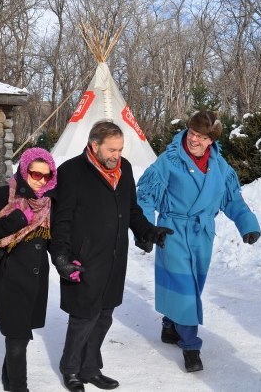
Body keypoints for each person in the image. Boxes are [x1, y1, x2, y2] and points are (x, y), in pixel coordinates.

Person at [50, 120, 173, 392]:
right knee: (83, 317)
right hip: (83, 259)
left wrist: (148, 232)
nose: (117, 155)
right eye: (111, 150)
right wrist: (60, 257)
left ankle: (91, 368)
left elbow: (131, 210)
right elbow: (60, 221)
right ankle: (70, 369)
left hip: (115, 258)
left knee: (104, 316)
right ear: (94, 146)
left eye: (120, 149)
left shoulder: (124, 168)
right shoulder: (71, 172)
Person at [136, 110, 261, 372]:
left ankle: (170, 324)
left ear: (211, 141)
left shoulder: (220, 166)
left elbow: (232, 199)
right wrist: (146, 230)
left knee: (194, 285)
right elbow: (145, 195)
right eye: (192, 133)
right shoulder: (169, 161)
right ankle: (191, 345)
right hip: (172, 230)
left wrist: (247, 224)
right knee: (184, 286)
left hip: (202, 232)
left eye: (202, 137)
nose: (195, 140)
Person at [0, 147, 58, 392]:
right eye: (35, 174)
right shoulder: (6, 193)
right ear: (24, 171)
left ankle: (8, 376)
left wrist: (65, 258)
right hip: (9, 276)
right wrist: (17, 220)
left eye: (46, 175)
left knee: (19, 334)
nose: (41, 180)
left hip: (35, 276)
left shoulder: (50, 201)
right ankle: (18, 388)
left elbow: (53, 239)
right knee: (18, 338)